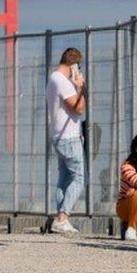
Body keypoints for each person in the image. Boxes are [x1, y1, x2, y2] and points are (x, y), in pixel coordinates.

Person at [46, 47, 87, 234]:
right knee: (79, 178)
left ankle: (59, 218)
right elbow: (78, 108)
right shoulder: (62, 81)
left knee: (64, 178)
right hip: (69, 137)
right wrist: (81, 87)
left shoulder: (53, 78)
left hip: (59, 135)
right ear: (74, 66)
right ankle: (62, 218)